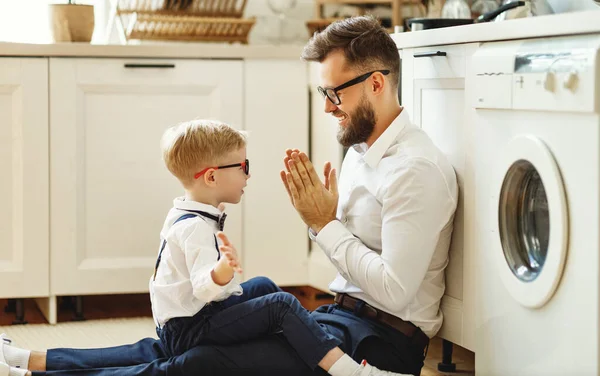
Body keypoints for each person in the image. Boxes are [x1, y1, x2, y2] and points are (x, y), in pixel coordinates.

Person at [0, 14, 458, 376]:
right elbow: (357, 261)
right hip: (337, 319)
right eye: (323, 92)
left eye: (333, 93)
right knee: (190, 341)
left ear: (376, 84)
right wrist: (329, 222)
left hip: (378, 345)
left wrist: (325, 225)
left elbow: (396, 294)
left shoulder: (415, 170)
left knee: (200, 364)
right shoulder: (361, 151)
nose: (325, 106)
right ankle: (33, 360)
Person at [0, 117, 408, 376]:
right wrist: (221, 274)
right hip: (190, 325)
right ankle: (353, 373)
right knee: (281, 304)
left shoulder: (189, 211)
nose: (249, 175)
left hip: (181, 320)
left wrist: (227, 280)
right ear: (212, 176)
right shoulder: (197, 228)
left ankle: (28, 360)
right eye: (243, 167)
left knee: (265, 287)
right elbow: (202, 286)